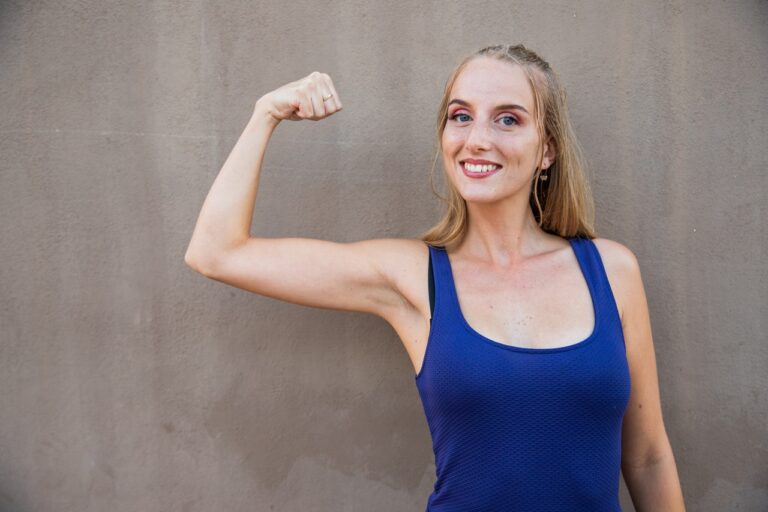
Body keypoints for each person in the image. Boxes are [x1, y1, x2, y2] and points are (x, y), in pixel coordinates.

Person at [184, 44, 685, 511]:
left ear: (547, 150)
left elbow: (647, 457)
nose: (477, 139)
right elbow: (215, 252)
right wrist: (265, 114)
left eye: (508, 119)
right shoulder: (412, 277)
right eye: (460, 116)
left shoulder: (611, 271)